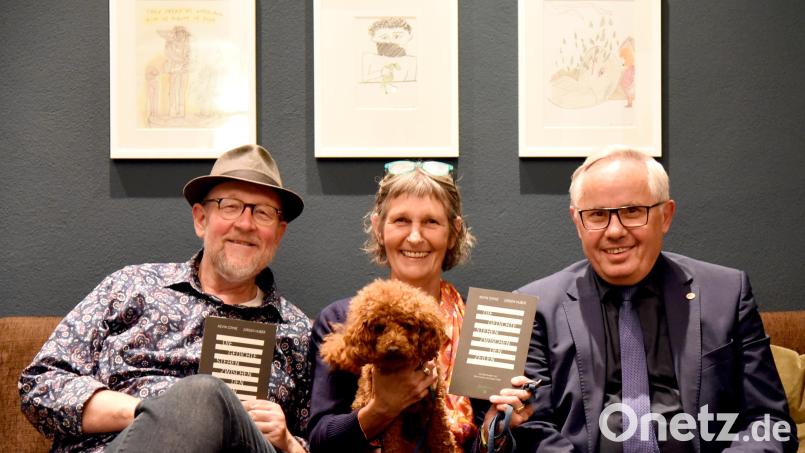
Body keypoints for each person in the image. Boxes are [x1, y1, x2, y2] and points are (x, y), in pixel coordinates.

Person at [19, 144, 312, 453]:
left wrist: (290, 443)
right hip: (118, 445)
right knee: (202, 396)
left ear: (278, 233)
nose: (245, 223)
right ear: (201, 219)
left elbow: (326, 440)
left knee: (206, 394)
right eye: (230, 206)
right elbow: (40, 385)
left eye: (263, 212)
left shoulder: (300, 334)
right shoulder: (131, 287)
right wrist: (155, 411)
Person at [513, 147, 797, 452]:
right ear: (577, 222)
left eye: (633, 211)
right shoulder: (535, 306)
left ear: (666, 216)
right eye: (597, 215)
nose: (615, 231)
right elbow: (530, 426)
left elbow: (769, 421)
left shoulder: (727, 293)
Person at [306, 160, 533, 452]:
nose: (415, 237)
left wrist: (496, 428)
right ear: (379, 228)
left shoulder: (487, 323)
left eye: (431, 222)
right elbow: (320, 442)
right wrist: (382, 408)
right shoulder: (342, 320)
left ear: (453, 232)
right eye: (401, 220)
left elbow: (481, 444)